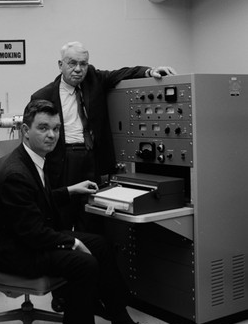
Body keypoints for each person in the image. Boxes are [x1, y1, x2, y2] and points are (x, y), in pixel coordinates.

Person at [0, 99, 171, 324]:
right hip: (14, 251)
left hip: (25, 238)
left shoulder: (33, 158)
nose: (51, 135)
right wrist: (69, 242)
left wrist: (70, 191)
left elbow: (36, 201)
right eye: (43, 128)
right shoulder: (17, 172)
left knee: (100, 245)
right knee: (83, 262)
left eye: (56, 129)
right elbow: (33, 233)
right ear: (26, 130)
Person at [31, 41, 176, 231]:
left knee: (93, 216)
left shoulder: (94, 79)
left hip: (92, 159)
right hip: (63, 161)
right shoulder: (44, 96)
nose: (78, 69)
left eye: (83, 64)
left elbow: (122, 73)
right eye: (72, 63)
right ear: (60, 65)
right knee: (63, 217)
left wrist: (150, 71)